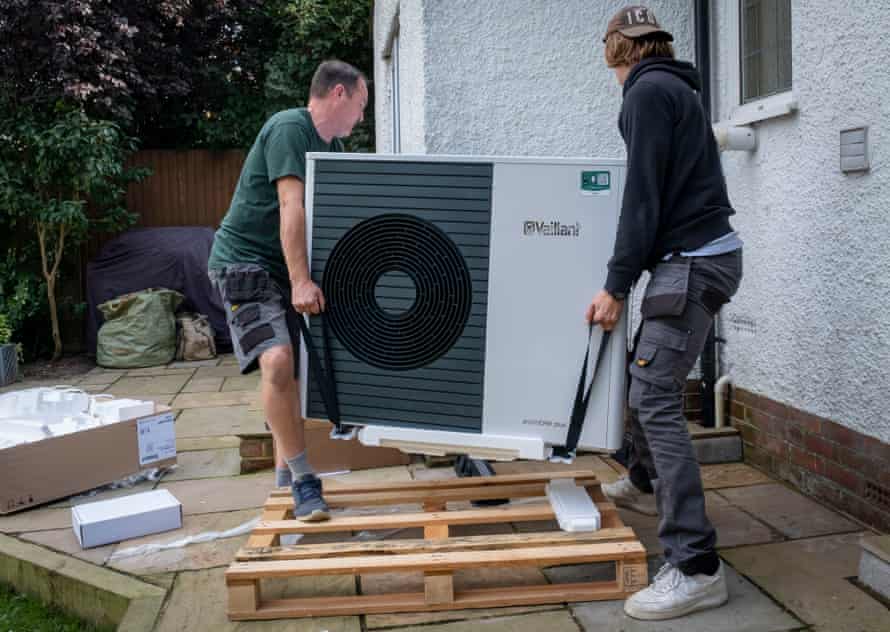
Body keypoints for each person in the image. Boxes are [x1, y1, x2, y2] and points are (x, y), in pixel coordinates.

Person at [586, 6, 743, 621]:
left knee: (652, 396)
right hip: (701, 257)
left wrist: (616, 284)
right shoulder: (672, 86)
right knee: (640, 377)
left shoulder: (646, 93)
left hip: (694, 264)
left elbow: (641, 198)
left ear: (616, 51)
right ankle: (646, 482)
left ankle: (697, 566)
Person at [207, 60, 368, 522]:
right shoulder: (288, 129)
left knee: (296, 375)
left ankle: (285, 486)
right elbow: (290, 205)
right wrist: (300, 281)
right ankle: (303, 479)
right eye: (360, 106)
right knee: (277, 362)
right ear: (338, 94)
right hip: (244, 264)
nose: (360, 118)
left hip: (283, 268)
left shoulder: (331, 145)